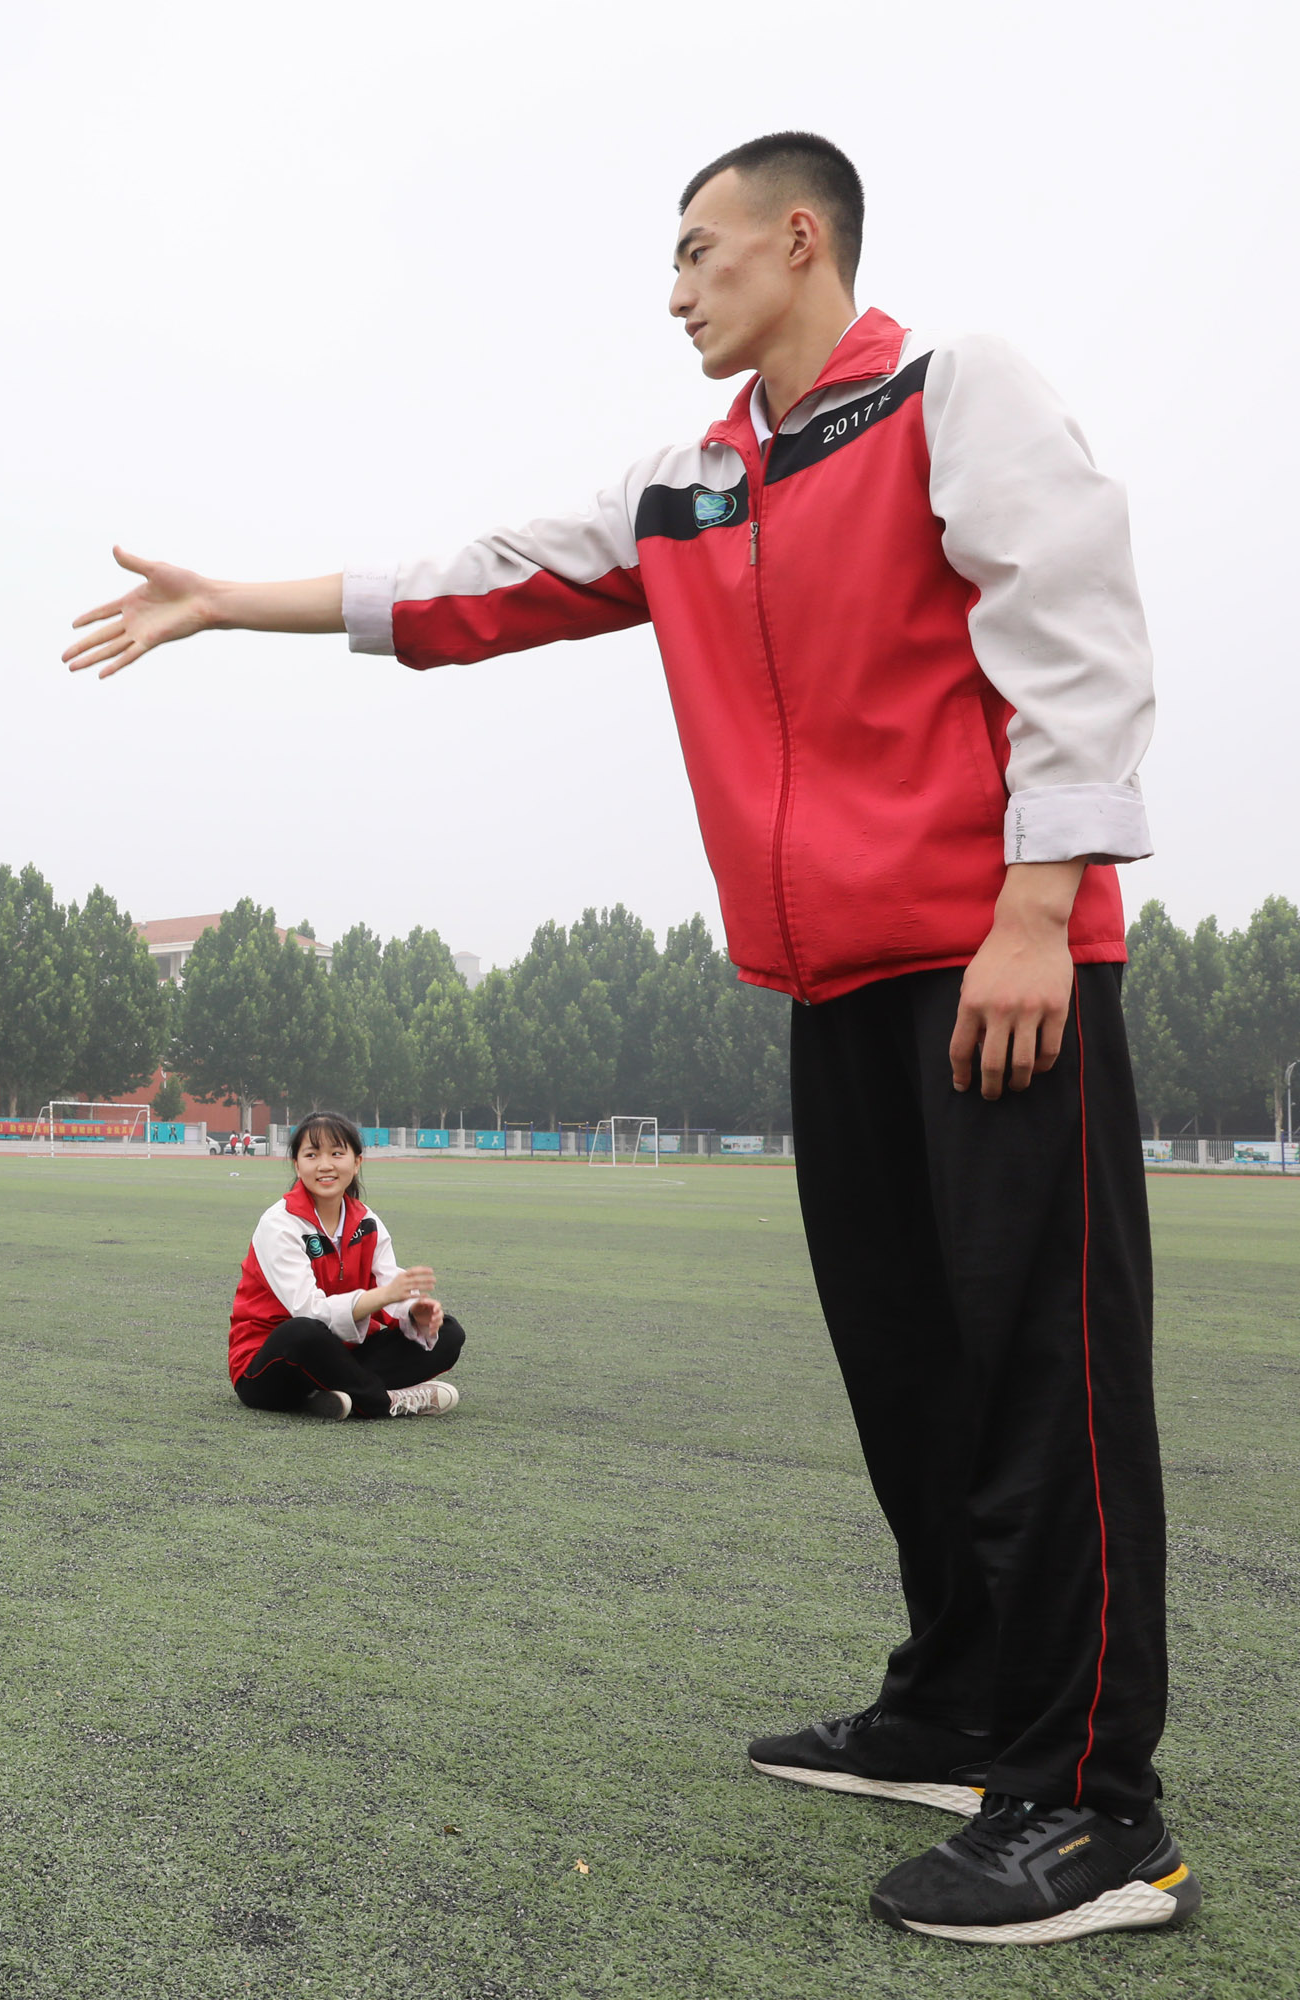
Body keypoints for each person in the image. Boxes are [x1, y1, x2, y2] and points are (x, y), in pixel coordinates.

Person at [66, 132, 1185, 1944]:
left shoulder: (952, 392)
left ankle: (1096, 1808)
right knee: (908, 1363)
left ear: (797, 241)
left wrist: (1042, 912)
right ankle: (963, 1702)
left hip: (997, 963)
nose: (675, 292)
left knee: (1041, 1373)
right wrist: (226, 602)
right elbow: (466, 591)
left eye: (700, 253)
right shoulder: (694, 487)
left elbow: (1077, 633)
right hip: (833, 993)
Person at [225, 1114, 460, 1421]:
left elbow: (391, 1283)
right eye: (312, 1155)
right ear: (297, 1165)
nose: (325, 1165)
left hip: (343, 1355)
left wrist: (414, 1311)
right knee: (302, 1332)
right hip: (270, 1367)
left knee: (448, 1333)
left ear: (357, 1162)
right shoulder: (279, 1223)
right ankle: (384, 1402)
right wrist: (383, 1296)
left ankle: (338, 1395)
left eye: (337, 1154)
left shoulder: (367, 1222)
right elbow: (310, 1311)